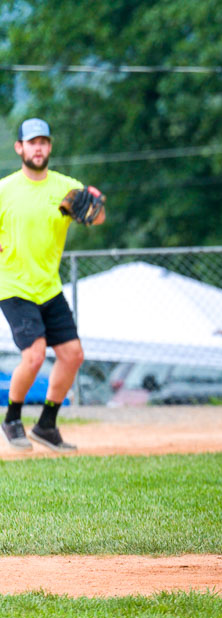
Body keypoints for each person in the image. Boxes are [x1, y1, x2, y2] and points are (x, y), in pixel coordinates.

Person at [0, 118, 106, 452]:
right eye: (32, 142)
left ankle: (46, 425)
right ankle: (12, 419)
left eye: (43, 142)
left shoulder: (65, 187)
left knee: (73, 355)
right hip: (13, 285)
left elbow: (96, 217)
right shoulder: (5, 189)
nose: (38, 148)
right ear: (20, 148)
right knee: (33, 355)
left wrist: (96, 207)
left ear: (50, 147)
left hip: (48, 286)